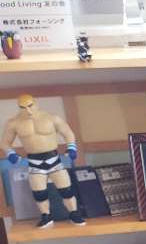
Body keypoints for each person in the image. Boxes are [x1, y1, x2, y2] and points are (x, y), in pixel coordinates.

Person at [3, 94, 86, 229]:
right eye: (23, 108)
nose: (28, 110)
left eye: (30, 106)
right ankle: (46, 216)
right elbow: (5, 142)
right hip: (34, 161)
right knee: (39, 192)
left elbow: (68, 132)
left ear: (35, 103)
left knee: (66, 189)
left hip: (54, 158)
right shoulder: (13, 123)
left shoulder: (51, 118)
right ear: (19, 108)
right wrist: (10, 153)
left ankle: (74, 213)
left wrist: (71, 147)